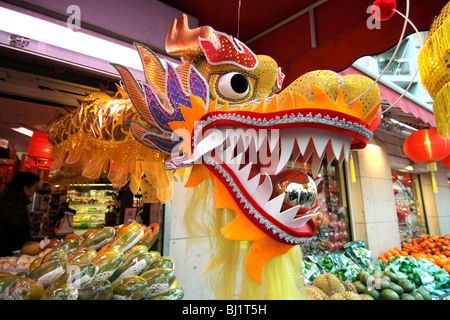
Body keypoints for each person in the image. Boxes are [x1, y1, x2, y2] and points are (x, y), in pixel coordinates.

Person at [0, 171, 40, 256]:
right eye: (34, 188)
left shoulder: (6, 197)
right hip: (6, 251)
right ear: (25, 188)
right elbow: (19, 232)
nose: (34, 192)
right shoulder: (15, 205)